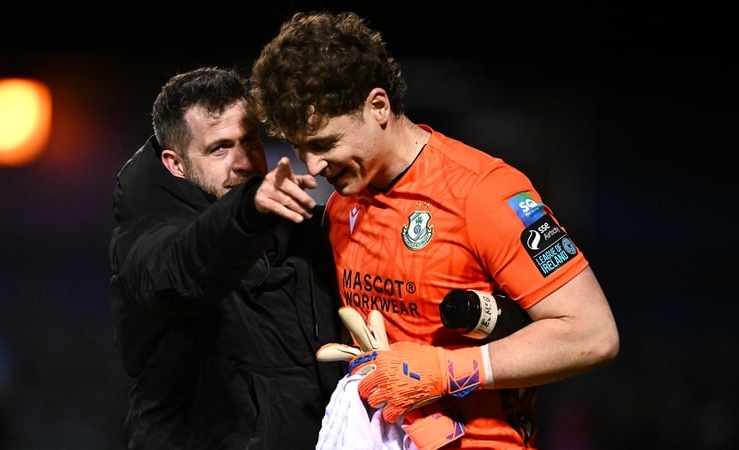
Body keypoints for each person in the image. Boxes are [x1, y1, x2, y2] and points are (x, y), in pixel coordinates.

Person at [249, 11, 620, 450]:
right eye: (300, 149)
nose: (313, 166)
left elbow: (592, 334)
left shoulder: (486, 193)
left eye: (325, 143)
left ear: (378, 106)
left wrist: (446, 371)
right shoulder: (342, 205)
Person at [108, 66, 346, 450]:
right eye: (219, 148)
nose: (244, 162)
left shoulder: (304, 232)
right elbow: (182, 273)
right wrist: (247, 211)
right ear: (175, 163)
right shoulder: (144, 239)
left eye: (249, 140)